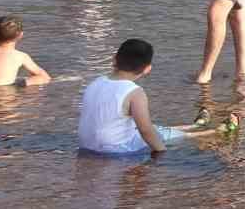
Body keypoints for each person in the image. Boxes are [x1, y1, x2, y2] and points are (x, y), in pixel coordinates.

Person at [78, 39, 211, 154]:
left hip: (88, 147)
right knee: (160, 134)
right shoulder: (134, 92)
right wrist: (161, 151)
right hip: (117, 150)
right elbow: (145, 130)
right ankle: (210, 132)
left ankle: (196, 125)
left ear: (114, 59)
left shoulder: (95, 82)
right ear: (148, 69)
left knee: (153, 128)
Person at [0, 15, 51, 87]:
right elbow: (45, 77)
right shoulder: (20, 56)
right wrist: (23, 83)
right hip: (4, 93)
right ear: (20, 35)